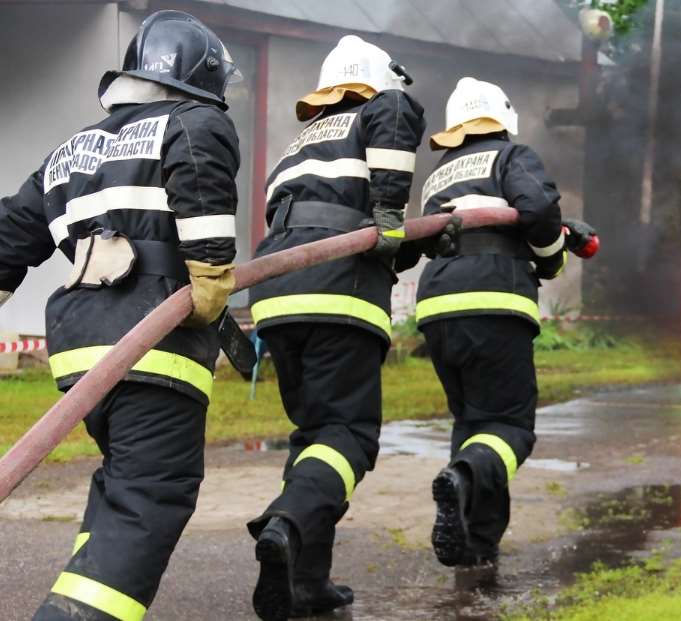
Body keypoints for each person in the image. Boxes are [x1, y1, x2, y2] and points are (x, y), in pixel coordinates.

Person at [0, 11, 241, 620]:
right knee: (151, 496)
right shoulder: (196, 122)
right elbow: (202, 185)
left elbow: (12, 233)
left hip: (80, 349)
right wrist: (211, 274)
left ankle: (77, 599)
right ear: (203, 77)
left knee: (121, 485)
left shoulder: (74, 147)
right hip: (151, 336)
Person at [247, 35, 425, 620]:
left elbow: (339, 225)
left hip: (278, 296)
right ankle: (287, 519)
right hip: (337, 291)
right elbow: (400, 111)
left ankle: (304, 579)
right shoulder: (381, 109)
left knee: (315, 434)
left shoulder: (297, 147)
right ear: (375, 81)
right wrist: (394, 215)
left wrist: (405, 240)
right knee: (348, 433)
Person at [413, 77, 587, 567]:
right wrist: (552, 260)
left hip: (438, 308)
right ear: (501, 120)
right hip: (492, 297)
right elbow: (538, 210)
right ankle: (463, 477)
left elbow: (430, 238)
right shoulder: (512, 157)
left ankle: (476, 540)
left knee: (473, 422)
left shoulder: (440, 174)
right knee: (510, 425)